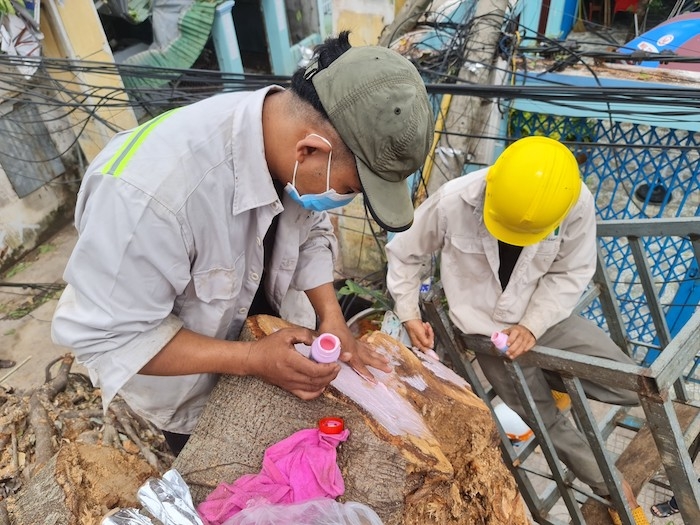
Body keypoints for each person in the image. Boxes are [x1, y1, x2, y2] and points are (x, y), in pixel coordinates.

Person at [51, 31, 434, 455]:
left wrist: (331, 316)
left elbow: (311, 230)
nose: (343, 200)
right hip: (190, 393)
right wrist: (252, 360)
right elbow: (113, 339)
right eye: (350, 188)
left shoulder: (288, 135)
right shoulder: (147, 197)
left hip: (272, 347)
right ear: (308, 150)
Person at [385, 136, 649, 524]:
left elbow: (570, 271)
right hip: (487, 333)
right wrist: (408, 313)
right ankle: (612, 488)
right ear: (491, 185)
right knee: (543, 419)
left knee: (625, 381)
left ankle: (555, 380)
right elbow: (405, 253)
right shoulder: (454, 200)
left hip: (546, 318)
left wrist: (533, 325)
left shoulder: (574, 201)